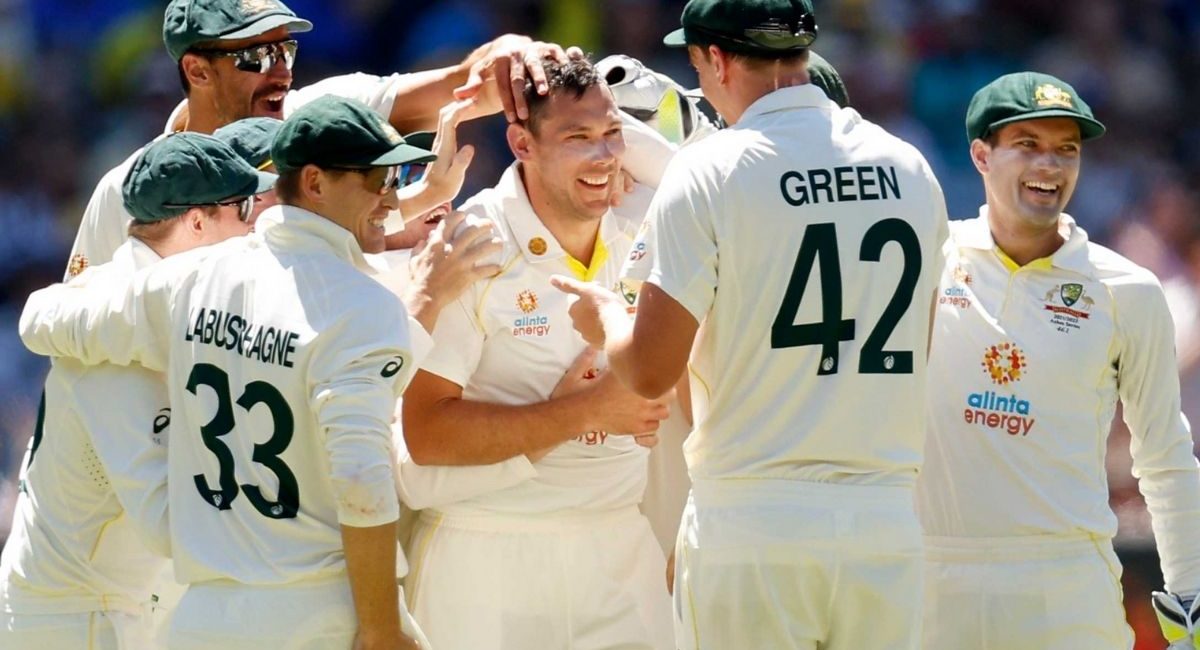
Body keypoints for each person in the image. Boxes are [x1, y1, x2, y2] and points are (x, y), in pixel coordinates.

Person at [20, 96, 496, 649]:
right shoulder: (363, 308)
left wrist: (70, 295)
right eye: (377, 181)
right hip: (315, 609)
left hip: (203, 618)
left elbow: (41, 319)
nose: (391, 200)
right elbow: (362, 483)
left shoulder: (197, 277)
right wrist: (382, 630)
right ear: (314, 184)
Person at [551, 0, 950, 648]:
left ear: (716, 58)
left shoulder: (710, 170)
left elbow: (651, 371)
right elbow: (916, 346)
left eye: (697, 64)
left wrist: (605, 320)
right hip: (884, 521)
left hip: (755, 519)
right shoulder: (910, 167)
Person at [914, 71, 1200, 650]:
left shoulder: (1128, 289)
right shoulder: (926, 262)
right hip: (932, 578)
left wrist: (1189, 595)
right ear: (980, 155)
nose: (1050, 166)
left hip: (1067, 584)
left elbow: (1166, 456)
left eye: (1066, 150)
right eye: (1028, 146)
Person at [399, 56, 674, 650]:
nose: (604, 158)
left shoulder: (648, 221)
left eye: (612, 135)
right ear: (521, 142)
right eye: (578, 138)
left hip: (620, 551)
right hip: (486, 562)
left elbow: (708, 175)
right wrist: (586, 412)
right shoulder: (469, 244)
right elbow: (423, 433)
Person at [64, 0, 578, 279]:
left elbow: (463, 85)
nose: (282, 73)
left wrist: (514, 50)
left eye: (286, 50)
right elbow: (76, 327)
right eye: (257, 58)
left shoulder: (321, 113)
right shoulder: (128, 190)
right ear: (197, 71)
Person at [0, 132, 272, 649]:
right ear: (196, 222)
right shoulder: (109, 344)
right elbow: (169, 522)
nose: (255, 222)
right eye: (242, 207)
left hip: (116, 606)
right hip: (73, 619)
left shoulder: (125, 305)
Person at [598, 49, 853, 557]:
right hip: (776, 505)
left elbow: (674, 383)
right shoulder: (708, 188)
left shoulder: (711, 199)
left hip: (727, 499)